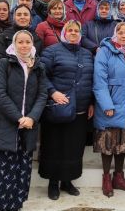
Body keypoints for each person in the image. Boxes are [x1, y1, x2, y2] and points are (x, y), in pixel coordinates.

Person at [0, 30, 48, 211]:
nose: (24, 45)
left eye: (27, 42)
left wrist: (32, 117)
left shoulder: (38, 66)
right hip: (6, 124)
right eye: (20, 42)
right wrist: (19, 117)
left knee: (22, 169)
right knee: (1, 169)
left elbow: (43, 94)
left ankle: (14, 209)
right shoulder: (5, 64)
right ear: (14, 44)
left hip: (27, 126)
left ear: (32, 44)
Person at [39, 21, 94, 201]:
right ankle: (53, 183)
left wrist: (91, 103)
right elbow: (41, 75)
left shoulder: (86, 54)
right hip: (57, 108)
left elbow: (91, 80)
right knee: (54, 145)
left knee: (73, 147)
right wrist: (52, 92)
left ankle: (68, 181)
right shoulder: (51, 51)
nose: (72, 33)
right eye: (69, 30)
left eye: (76, 30)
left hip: (80, 109)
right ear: (64, 33)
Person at [93, 23, 125, 197]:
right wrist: (106, 104)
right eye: (120, 32)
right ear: (115, 34)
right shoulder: (105, 51)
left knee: (124, 140)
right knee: (109, 140)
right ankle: (106, 178)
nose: (123, 35)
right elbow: (99, 81)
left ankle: (119, 177)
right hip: (112, 101)